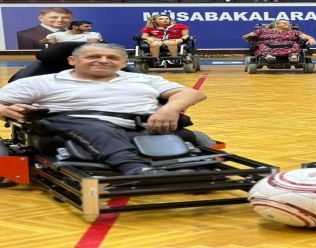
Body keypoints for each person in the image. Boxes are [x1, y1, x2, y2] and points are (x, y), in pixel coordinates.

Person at [0, 43, 207, 176]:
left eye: (113, 58)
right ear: (73, 60)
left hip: (144, 123)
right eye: (93, 56)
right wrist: (4, 110)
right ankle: (134, 168)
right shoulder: (40, 82)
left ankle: (194, 168)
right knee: (97, 128)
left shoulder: (142, 78)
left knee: (184, 133)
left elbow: (192, 93)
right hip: (79, 123)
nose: (103, 60)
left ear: (124, 63)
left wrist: (169, 109)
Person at [242, 19, 316, 63]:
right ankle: (269, 57)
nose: (288, 25)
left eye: (289, 24)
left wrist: (311, 39)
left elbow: (305, 36)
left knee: (296, 45)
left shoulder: (294, 32)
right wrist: (248, 37)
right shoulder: (262, 30)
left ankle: (293, 57)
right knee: (261, 46)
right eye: (284, 23)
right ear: (277, 24)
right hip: (268, 46)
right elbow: (246, 36)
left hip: (289, 46)